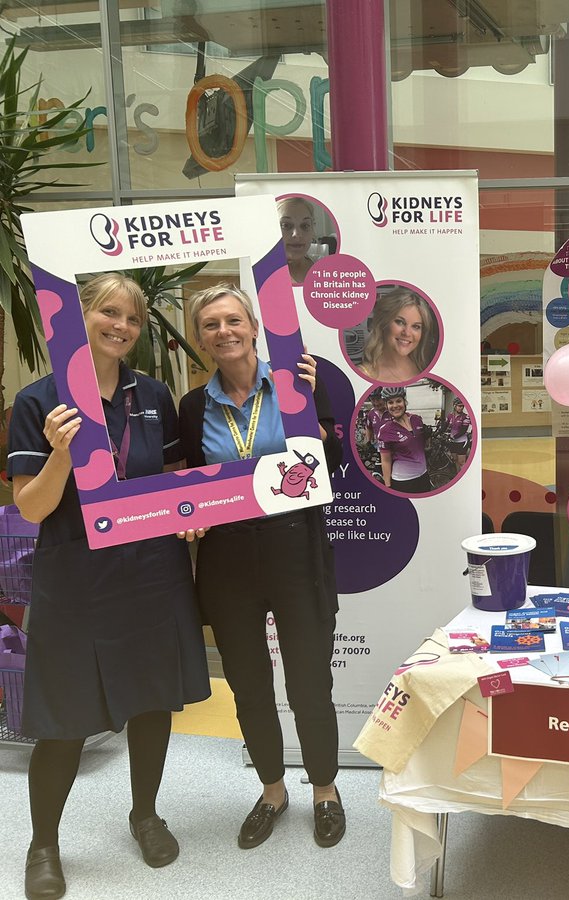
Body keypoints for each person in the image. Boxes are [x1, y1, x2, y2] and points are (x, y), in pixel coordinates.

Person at [8, 273, 210, 899]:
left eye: (131, 317)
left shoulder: (152, 395)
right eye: (108, 312)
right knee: (64, 718)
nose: (120, 326)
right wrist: (61, 455)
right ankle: (43, 844)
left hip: (151, 573)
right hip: (75, 577)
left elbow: (176, 480)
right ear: (79, 315)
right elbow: (32, 509)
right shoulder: (38, 402)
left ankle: (145, 814)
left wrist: (191, 518)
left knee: (152, 701)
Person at [176, 284, 346, 850]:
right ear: (200, 339)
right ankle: (273, 791)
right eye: (209, 325)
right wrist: (189, 515)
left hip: (296, 549)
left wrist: (315, 422)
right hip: (227, 559)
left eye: (232, 320)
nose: (223, 332)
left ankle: (325, 790)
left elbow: (333, 460)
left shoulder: (298, 382)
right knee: (248, 685)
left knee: (309, 683)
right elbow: (190, 482)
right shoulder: (193, 406)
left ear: (253, 325)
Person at [359, 288, 437, 383]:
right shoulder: (364, 374)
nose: (407, 333)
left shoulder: (426, 367)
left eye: (416, 326)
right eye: (400, 322)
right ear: (383, 323)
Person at [376, 388, 431, 493]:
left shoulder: (417, 420)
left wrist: (427, 438)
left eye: (398, 401)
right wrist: (388, 486)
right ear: (386, 406)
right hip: (403, 481)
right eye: (390, 402)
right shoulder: (385, 430)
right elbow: (386, 461)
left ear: (405, 402)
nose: (395, 405)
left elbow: (420, 445)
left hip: (424, 476)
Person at [277, 196, 319, 284]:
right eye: (286, 225)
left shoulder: (326, 270)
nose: (297, 234)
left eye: (305, 226)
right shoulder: (258, 274)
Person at [445, 397, 472, 470]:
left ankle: (466, 477)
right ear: (454, 406)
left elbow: (463, 430)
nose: (461, 408)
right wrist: (438, 433)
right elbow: (445, 426)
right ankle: (459, 475)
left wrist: (453, 437)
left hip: (462, 442)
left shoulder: (465, 417)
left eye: (462, 406)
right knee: (455, 460)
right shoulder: (450, 415)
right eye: (459, 406)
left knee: (461, 462)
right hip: (453, 442)